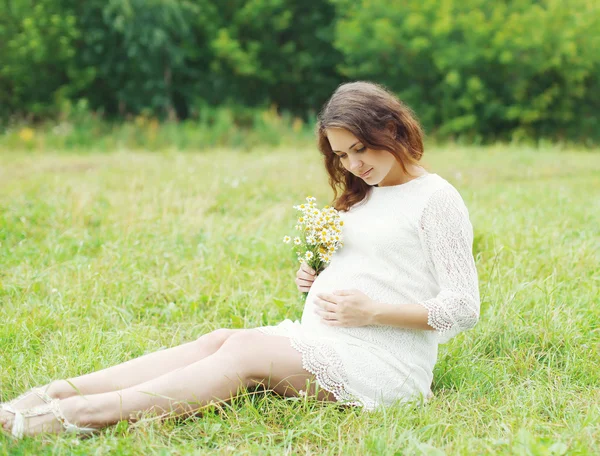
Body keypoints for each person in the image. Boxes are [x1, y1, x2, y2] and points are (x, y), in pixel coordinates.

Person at [0, 81, 480, 439]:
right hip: (327, 338)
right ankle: (54, 393)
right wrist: (317, 277)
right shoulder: (364, 195)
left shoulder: (435, 199)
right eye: (341, 155)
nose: (354, 164)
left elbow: (463, 307)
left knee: (245, 354)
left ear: (392, 128)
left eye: (361, 148)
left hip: (383, 364)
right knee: (221, 339)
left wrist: (370, 311)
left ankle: (76, 418)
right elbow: (378, 267)